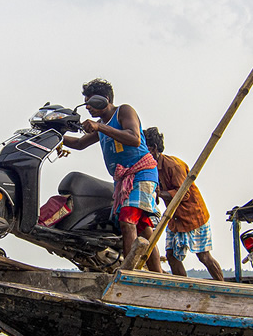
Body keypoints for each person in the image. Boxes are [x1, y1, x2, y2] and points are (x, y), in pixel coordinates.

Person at [62, 79, 163, 272]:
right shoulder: (101, 124)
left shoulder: (123, 111)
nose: (88, 107)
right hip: (123, 179)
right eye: (86, 103)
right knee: (143, 229)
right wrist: (56, 135)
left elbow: (134, 138)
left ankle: (129, 272)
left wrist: (100, 128)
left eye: (92, 102)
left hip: (141, 172)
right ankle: (157, 274)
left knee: (127, 220)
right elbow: (79, 143)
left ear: (105, 100)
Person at [144, 127, 224, 280]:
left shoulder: (174, 166)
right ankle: (183, 287)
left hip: (193, 215)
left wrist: (159, 193)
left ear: (153, 148)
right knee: (171, 256)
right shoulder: (152, 167)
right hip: (174, 218)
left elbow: (184, 193)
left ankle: (224, 287)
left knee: (204, 256)